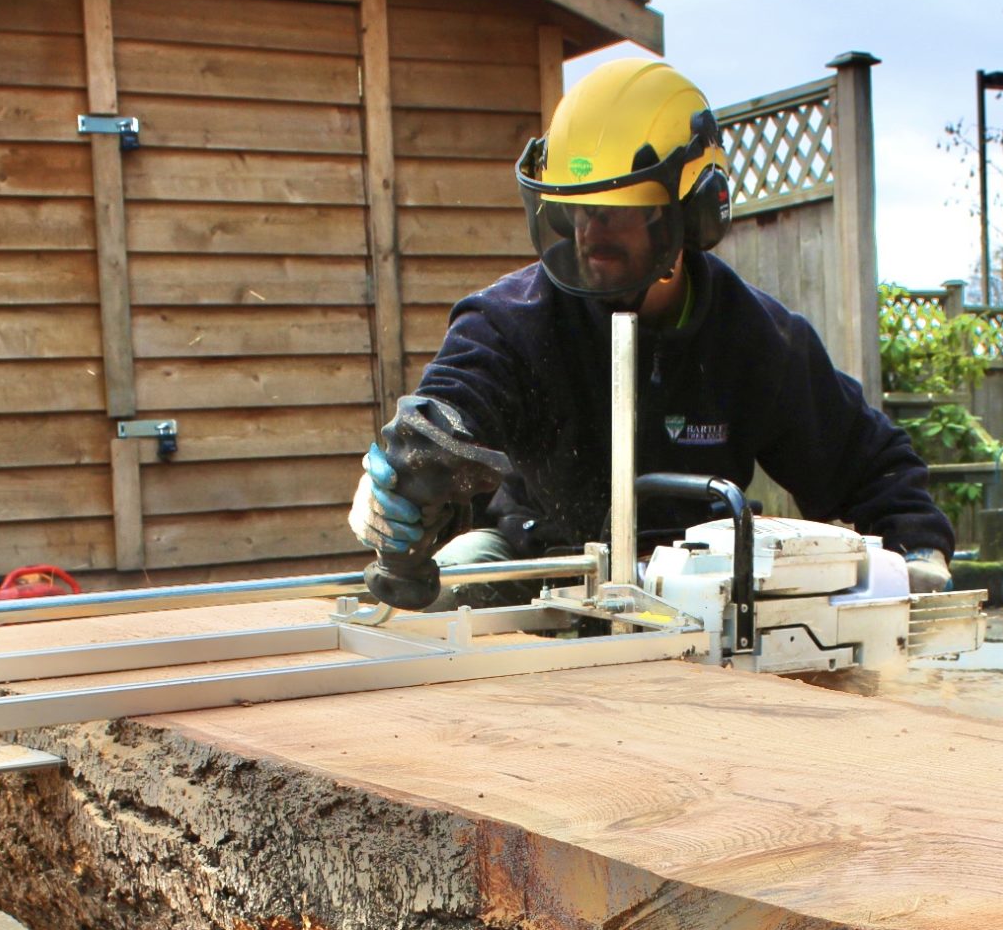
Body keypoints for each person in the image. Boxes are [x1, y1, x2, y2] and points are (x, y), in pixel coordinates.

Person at [348, 58, 954, 605]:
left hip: (702, 584)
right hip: (540, 565)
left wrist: (916, 558)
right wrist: (405, 471)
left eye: (614, 213)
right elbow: (455, 399)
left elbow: (869, 464)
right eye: (578, 210)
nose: (589, 233)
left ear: (690, 215)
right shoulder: (510, 321)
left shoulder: (755, 338)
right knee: (438, 606)